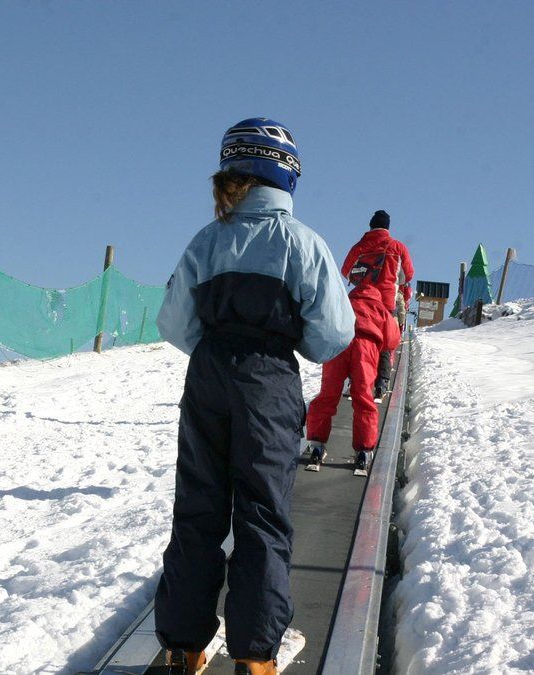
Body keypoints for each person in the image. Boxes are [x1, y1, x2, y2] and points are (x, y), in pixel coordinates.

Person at [154, 118, 354, 675]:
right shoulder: (302, 243)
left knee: (198, 508)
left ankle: (184, 646)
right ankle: (254, 654)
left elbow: (173, 322)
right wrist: (281, 346)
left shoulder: (206, 239)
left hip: (208, 372)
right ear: (286, 177)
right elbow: (334, 333)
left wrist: (215, 346)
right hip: (267, 376)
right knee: (262, 514)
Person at [304, 222, 403, 474]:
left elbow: (329, 319)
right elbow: (392, 341)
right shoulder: (380, 304)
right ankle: (362, 451)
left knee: (327, 395)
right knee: (363, 398)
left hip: (340, 345)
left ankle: (316, 444)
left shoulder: (346, 300)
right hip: (366, 348)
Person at [348, 210, 413, 400]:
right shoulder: (397, 247)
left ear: (370, 225)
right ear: (388, 227)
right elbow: (408, 274)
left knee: (360, 338)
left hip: (361, 301)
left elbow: (346, 270)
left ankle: (355, 379)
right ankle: (382, 383)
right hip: (386, 301)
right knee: (385, 340)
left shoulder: (359, 247)